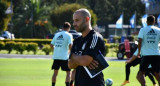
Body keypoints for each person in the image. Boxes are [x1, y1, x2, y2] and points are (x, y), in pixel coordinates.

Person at [68, 8, 106, 86]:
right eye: (74, 21)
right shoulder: (77, 41)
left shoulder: (95, 37)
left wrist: (72, 55)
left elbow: (85, 61)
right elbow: (70, 65)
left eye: (77, 20)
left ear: (87, 19)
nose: (74, 24)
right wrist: (81, 59)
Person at [137, 15, 160, 86]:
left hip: (146, 55)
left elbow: (140, 41)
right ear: (154, 21)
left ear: (146, 21)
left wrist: (138, 52)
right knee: (157, 73)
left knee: (141, 74)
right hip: (156, 54)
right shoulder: (158, 30)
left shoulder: (143, 30)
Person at [50, 22, 73, 86]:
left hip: (56, 56)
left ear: (63, 27)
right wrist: (71, 52)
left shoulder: (57, 34)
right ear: (69, 28)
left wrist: (56, 50)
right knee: (68, 73)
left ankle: (53, 85)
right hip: (64, 57)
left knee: (55, 73)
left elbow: (51, 45)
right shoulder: (69, 35)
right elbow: (70, 45)